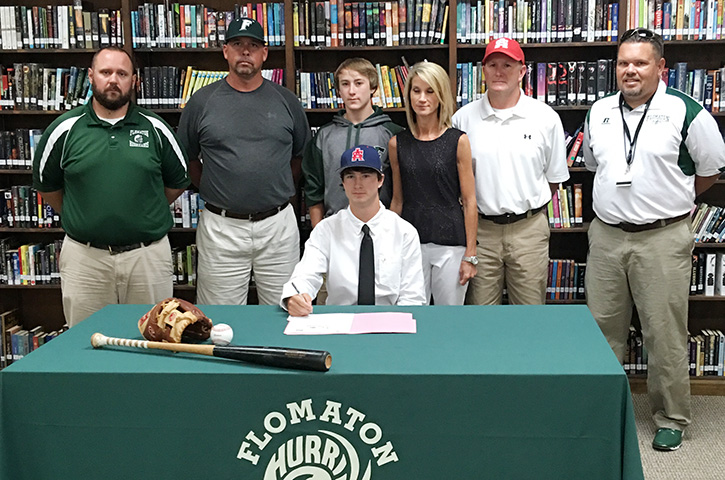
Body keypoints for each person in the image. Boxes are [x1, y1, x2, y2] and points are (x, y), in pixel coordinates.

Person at [583, 27, 725, 451]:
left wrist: (669, 200)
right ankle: (603, 410)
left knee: (664, 334)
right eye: (623, 63)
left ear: (661, 67)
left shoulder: (686, 110)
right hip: (607, 237)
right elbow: (594, 165)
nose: (630, 70)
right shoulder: (599, 110)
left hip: (661, 238)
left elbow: (710, 170)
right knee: (602, 331)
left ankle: (672, 418)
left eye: (640, 63)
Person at [32, 46, 190, 327]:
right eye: (106, 72)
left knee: (152, 338)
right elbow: (47, 186)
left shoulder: (156, 128)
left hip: (147, 258)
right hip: (85, 260)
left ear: (134, 80)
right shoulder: (63, 129)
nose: (113, 80)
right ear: (91, 76)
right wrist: (83, 216)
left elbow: (177, 183)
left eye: (122, 74)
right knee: (86, 340)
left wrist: (140, 212)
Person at [177, 17, 310, 305]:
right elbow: (187, 158)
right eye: (237, 44)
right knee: (220, 319)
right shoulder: (201, 101)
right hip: (221, 227)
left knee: (284, 312)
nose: (245, 51)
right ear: (225, 51)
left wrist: (272, 189)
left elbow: (299, 157)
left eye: (253, 45)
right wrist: (218, 190)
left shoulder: (287, 101)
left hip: (277, 226)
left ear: (265, 53)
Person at [452, 37, 569, 305]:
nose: (499, 72)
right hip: (481, 233)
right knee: (481, 315)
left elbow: (553, 180)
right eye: (492, 65)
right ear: (483, 71)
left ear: (522, 71)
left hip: (528, 230)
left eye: (507, 65)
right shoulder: (462, 119)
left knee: (529, 315)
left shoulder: (545, 118)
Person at [281, 145, 426, 316]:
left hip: (389, 319)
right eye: (350, 176)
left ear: (380, 180)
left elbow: (412, 296)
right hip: (340, 319)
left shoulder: (404, 232)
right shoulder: (326, 230)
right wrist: (295, 296)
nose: (358, 184)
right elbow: (306, 274)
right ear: (342, 182)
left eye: (366, 176)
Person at [388, 61, 477, 305]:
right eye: (416, 91)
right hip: (410, 243)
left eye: (430, 91)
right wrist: (388, 246)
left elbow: (470, 201)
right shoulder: (397, 143)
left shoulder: (458, 141)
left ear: (441, 95)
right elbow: (397, 201)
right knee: (411, 314)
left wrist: (470, 254)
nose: (422, 98)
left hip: (451, 245)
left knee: (449, 318)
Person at [303, 57, 403, 225]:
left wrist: (391, 229)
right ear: (338, 91)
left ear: (373, 87)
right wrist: (318, 229)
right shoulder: (323, 136)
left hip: (380, 228)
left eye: (358, 83)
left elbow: (399, 192)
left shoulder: (392, 134)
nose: (351, 91)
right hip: (334, 227)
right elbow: (313, 189)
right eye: (345, 84)